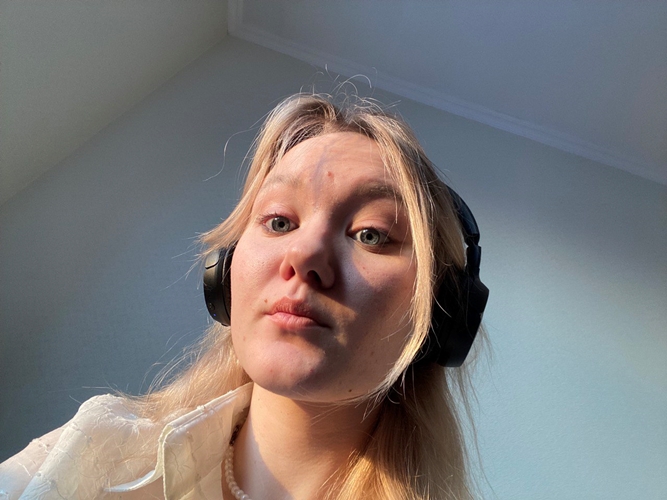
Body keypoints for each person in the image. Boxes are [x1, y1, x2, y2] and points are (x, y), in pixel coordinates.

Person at [0, 93, 488, 500]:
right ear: (226, 273)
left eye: (371, 234)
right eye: (279, 221)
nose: (304, 255)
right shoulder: (90, 452)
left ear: (441, 315)